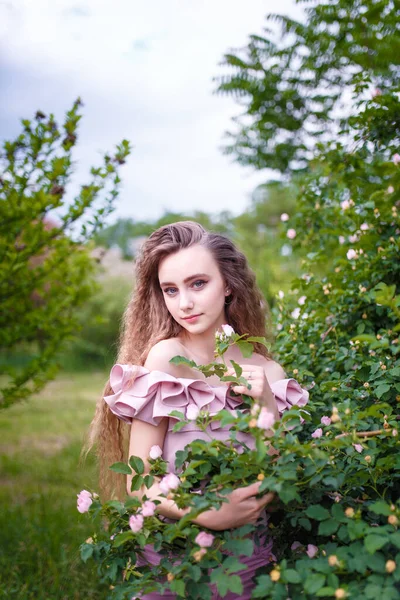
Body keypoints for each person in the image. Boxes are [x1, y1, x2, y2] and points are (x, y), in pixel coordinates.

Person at [88, 221, 309, 599]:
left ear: (229, 284)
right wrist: (207, 515)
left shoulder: (269, 372)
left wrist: (266, 404)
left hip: (246, 556)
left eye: (198, 284)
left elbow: (276, 473)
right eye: (170, 290)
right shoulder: (167, 359)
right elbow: (139, 483)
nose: (184, 303)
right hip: (174, 559)